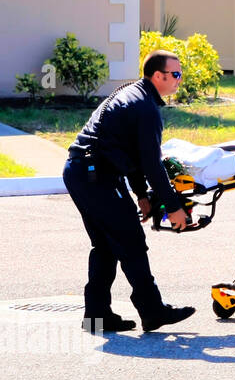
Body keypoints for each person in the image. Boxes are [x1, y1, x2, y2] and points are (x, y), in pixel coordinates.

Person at [63, 50, 195, 333]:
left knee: (107, 245)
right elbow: (151, 164)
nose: (179, 80)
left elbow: (132, 154)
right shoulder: (145, 108)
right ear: (157, 76)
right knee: (131, 241)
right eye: (176, 74)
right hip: (96, 175)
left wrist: (142, 195)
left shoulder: (134, 94)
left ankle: (97, 316)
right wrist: (173, 207)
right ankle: (153, 311)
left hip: (81, 171)